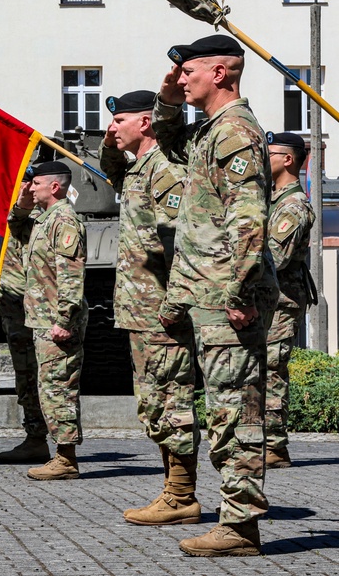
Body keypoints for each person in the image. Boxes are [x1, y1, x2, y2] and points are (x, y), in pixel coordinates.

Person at [152, 34, 279, 557]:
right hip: (209, 294)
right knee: (225, 410)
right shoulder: (209, 131)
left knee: (236, 412)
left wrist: (240, 290)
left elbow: (248, 219)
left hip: (230, 297)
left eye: (189, 71)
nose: (182, 80)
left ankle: (240, 526)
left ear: (221, 73)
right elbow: (165, 139)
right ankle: (235, 520)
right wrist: (166, 97)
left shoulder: (234, 132)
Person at [99, 90, 199, 526]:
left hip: (161, 312)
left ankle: (181, 496)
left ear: (145, 124)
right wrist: (108, 144)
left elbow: (182, 243)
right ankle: (173, 492)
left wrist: (175, 305)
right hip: (141, 311)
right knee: (154, 403)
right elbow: (110, 169)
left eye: (120, 120)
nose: (112, 127)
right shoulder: (138, 170)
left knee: (171, 401)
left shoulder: (164, 172)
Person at [9, 160, 88, 481]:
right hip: (42, 318)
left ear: (54, 186)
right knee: (49, 387)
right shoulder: (43, 219)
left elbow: (71, 276)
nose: (31, 187)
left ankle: (66, 459)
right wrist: (24, 202)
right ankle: (59, 453)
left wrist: (65, 319)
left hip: (57, 320)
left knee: (60, 387)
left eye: (36, 183)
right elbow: (15, 228)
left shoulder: (64, 220)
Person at [263, 131, 316, 469]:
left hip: (281, 302)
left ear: (288, 160)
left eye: (270, 155)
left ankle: (275, 447)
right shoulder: (272, 199)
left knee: (271, 370)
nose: (263, 161)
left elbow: (274, 258)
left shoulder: (293, 207)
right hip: (267, 299)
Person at [0, 166, 50, 464]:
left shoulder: (48, 218)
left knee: (53, 378)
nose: (25, 188)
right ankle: (35, 437)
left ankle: (65, 446)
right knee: (25, 375)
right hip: (14, 308)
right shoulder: (10, 215)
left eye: (30, 182)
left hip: (42, 308)